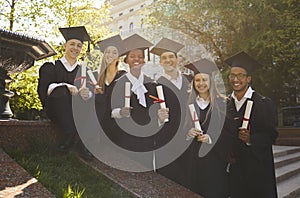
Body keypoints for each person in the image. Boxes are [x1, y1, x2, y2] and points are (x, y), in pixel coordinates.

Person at [224, 51, 278, 198]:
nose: (236, 79)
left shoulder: (263, 103)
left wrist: (250, 139)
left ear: (248, 78)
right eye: (232, 75)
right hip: (235, 171)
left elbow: (271, 135)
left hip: (258, 170)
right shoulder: (224, 104)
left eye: (240, 75)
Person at [37, 26, 93, 160]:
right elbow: (45, 90)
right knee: (60, 91)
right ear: (65, 45)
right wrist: (67, 86)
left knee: (94, 97)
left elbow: (90, 94)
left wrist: (88, 94)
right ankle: (70, 134)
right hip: (57, 109)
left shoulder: (84, 71)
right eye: (72, 44)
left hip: (78, 111)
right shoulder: (51, 67)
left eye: (79, 45)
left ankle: (82, 142)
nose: (75, 48)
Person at [182, 59, 233, 197]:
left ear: (211, 81)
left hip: (215, 160)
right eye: (197, 80)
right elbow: (180, 131)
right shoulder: (188, 103)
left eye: (204, 79)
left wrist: (211, 138)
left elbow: (230, 133)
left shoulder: (223, 103)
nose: (201, 84)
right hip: (193, 161)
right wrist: (188, 133)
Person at [150, 37, 191, 186]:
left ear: (177, 59)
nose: (168, 60)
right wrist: (159, 118)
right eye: (164, 58)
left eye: (171, 57)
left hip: (189, 139)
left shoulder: (191, 80)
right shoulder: (155, 86)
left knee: (190, 181)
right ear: (160, 62)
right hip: (166, 141)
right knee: (169, 182)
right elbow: (150, 116)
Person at [94, 34, 126, 122]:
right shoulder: (95, 77)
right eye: (107, 52)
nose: (110, 55)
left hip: (118, 124)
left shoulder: (123, 77)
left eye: (114, 52)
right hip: (98, 124)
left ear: (119, 57)